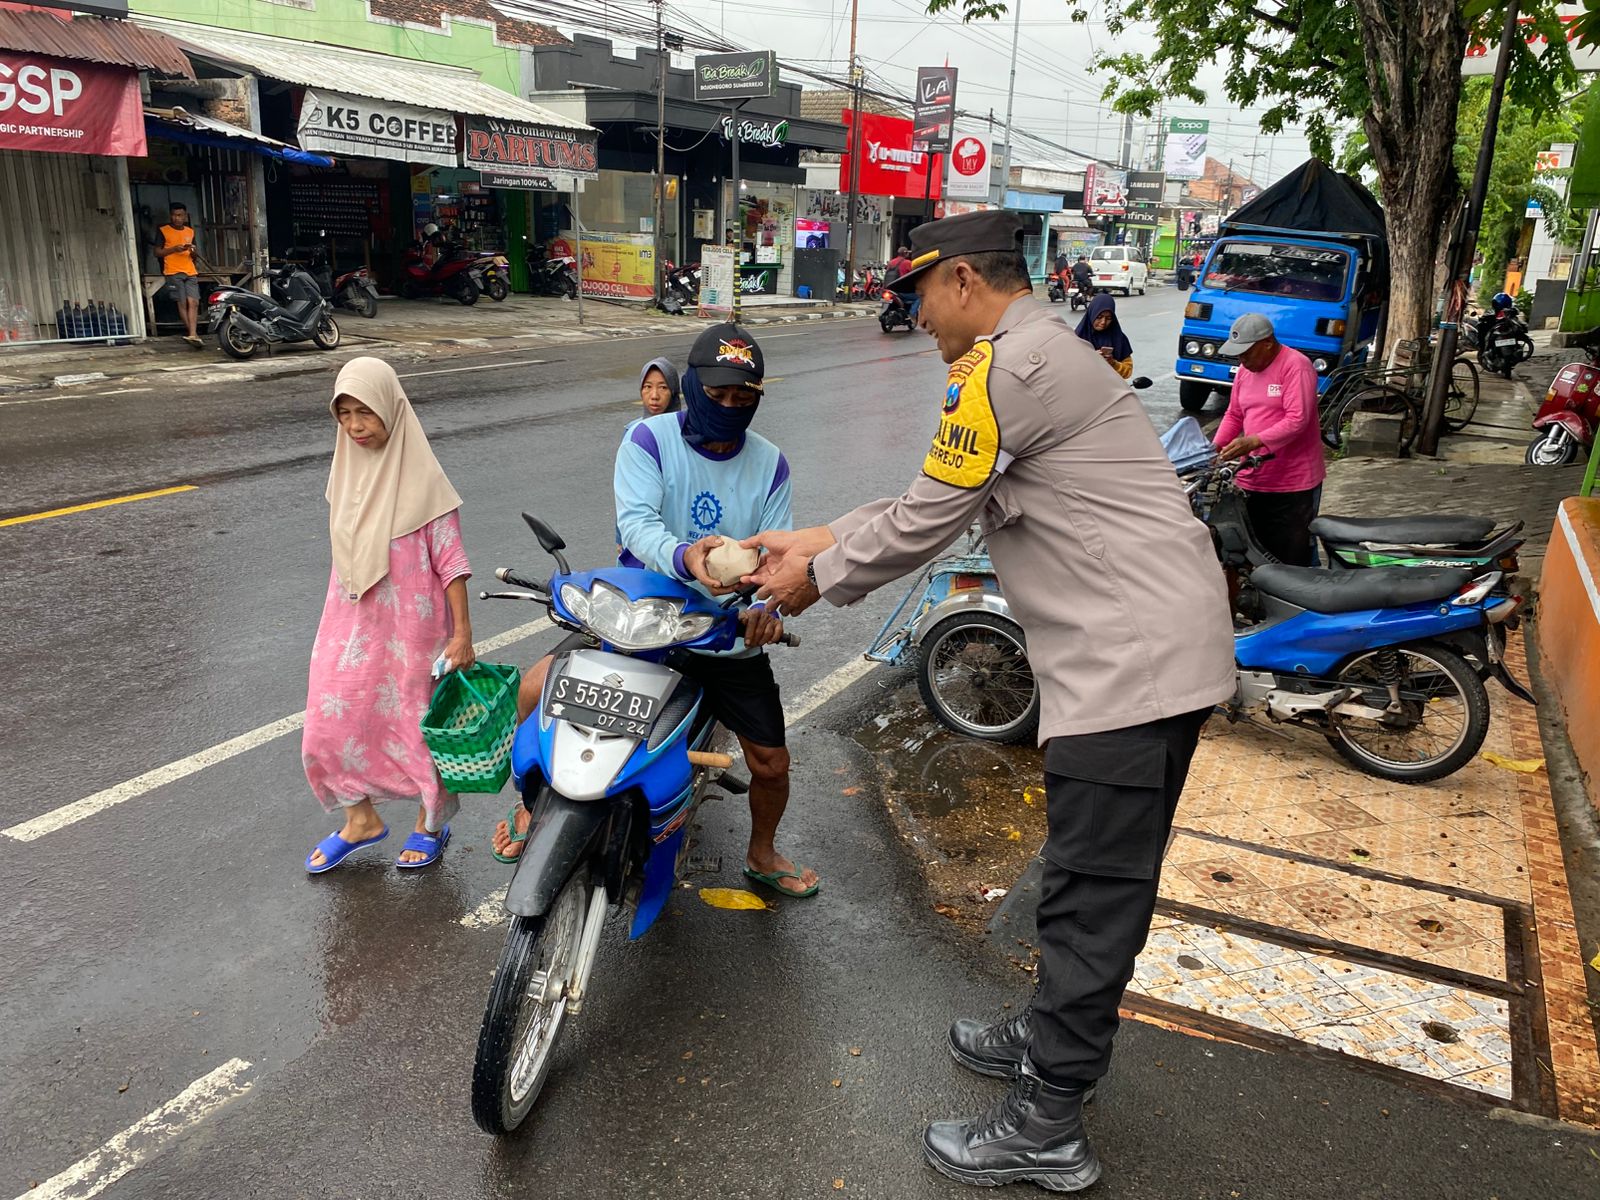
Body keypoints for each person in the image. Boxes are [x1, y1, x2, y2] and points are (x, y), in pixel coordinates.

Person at [739, 211, 1234, 1191]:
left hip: (1130, 666)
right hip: (1132, 655)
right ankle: (1046, 1038)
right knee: (1074, 873)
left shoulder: (1009, 372)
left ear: (963, 279)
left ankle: (1048, 1121)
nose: (916, 316)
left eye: (919, 293)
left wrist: (814, 576)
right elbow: (946, 496)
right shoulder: (1032, 359)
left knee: (1093, 896)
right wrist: (820, 536)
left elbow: (930, 516)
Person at [492, 324, 819, 899]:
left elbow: (777, 552)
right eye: (717, 393)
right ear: (691, 385)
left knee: (770, 761)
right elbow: (637, 526)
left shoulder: (772, 465)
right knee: (534, 691)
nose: (729, 406)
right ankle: (531, 809)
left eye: (743, 397)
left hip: (723, 631)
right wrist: (686, 555)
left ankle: (763, 852)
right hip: (641, 619)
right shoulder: (648, 440)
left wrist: (767, 606)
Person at [301, 357, 476, 873]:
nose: (355, 426)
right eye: (345, 414)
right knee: (328, 724)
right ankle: (361, 820)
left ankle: (429, 822)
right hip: (349, 624)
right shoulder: (344, 476)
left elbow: (454, 564)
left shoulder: (425, 482)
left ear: (393, 411)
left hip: (412, 631)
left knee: (415, 725)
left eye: (367, 413)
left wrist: (462, 634)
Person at [1211, 312, 1325, 566]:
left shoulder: (1296, 366)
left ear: (1267, 343)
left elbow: (1298, 419)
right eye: (1238, 354)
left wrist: (1254, 441)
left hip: (1293, 484)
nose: (1242, 359)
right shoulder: (1244, 371)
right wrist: (1212, 449)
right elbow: (1234, 414)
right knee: (1251, 552)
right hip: (1252, 477)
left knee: (1292, 556)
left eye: (1246, 353)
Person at [152, 202, 202, 347]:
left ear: (185, 216)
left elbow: (195, 256)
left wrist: (193, 251)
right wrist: (173, 249)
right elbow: (157, 252)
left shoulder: (190, 231)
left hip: (190, 270)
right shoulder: (163, 230)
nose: (176, 218)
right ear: (170, 215)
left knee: (194, 302)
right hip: (172, 270)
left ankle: (193, 334)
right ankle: (193, 334)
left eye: (179, 215)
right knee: (182, 303)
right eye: (174, 215)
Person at [1074, 292, 1133, 379]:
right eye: (1099, 317)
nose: (1103, 322)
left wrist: (1113, 363)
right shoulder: (1076, 338)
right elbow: (1067, 368)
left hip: (1112, 390)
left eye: (1108, 318)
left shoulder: (1119, 338)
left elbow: (1128, 371)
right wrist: (1091, 358)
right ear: (1092, 314)